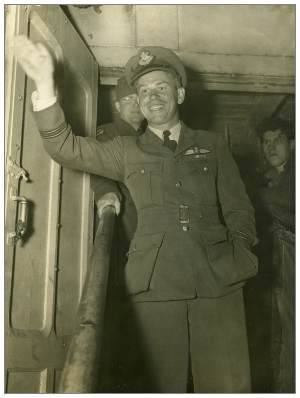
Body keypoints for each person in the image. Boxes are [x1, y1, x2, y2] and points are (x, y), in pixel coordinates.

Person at [14, 36, 258, 393]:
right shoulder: (125, 150)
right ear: (138, 102)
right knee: (159, 386)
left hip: (219, 283)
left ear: (180, 95)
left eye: (162, 87)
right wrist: (45, 86)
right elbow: (64, 147)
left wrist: (240, 255)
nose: (153, 96)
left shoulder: (213, 145)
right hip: (153, 284)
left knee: (229, 387)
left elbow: (240, 209)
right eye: (144, 91)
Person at [256, 117, 295, 393]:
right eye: (266, 142)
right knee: (278, 326)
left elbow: (288, 203)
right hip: (277, 262)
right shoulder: (268, 177)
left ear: (292, 143)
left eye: (277, 140)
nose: (271, 147)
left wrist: (249, 193)